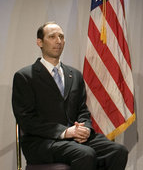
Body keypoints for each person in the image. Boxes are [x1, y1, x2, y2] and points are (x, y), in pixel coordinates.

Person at [12, 21, 128, 170]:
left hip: (75, 139)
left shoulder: (75, 75)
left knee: (118, 151)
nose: (58, 41)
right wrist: (64, 132)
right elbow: (26, 120)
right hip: (42, 142)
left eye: (61, 36)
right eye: (52, 37)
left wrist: (85, 128)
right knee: (85, 154)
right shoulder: (25, 76)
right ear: (39, 42)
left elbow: (82, 110)